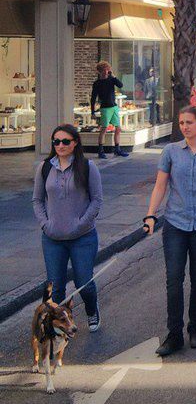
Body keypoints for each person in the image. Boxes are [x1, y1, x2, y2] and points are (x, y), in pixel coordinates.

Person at [144, 106, 196, 356]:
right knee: (173, 279)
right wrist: (151, 214)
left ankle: (195, 328)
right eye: (181, 123)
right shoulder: (170, 151)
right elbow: (160, 186)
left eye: (189, 122)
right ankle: (174, 335)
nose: (184, 127)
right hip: (175, 223)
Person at [33, 124, 104, 332]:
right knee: (55, 288)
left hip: (83, 238)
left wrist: (81, 224)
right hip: (53, 239)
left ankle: (92, 310)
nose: (60, 145)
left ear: (75, 143)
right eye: (56, 141)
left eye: (65, 141)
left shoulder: (87, 167)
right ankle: (60, 326)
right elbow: (37, 200)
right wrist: (45, 224)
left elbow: (97, 200)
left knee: (84, 283)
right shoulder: (44, 168)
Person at [90, 61, 128, 159]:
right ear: (100, 71)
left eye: (107, 69)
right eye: (104, 70)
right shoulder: (97, 83)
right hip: (105, 108)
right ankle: (101, 150)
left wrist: (113, 76)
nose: (106, 72)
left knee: (118, 128)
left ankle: (117, 149)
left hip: (114, 106)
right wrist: (92, 111)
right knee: (104, 129)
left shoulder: (111, 80)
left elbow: (120, 85)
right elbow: (93, 98)